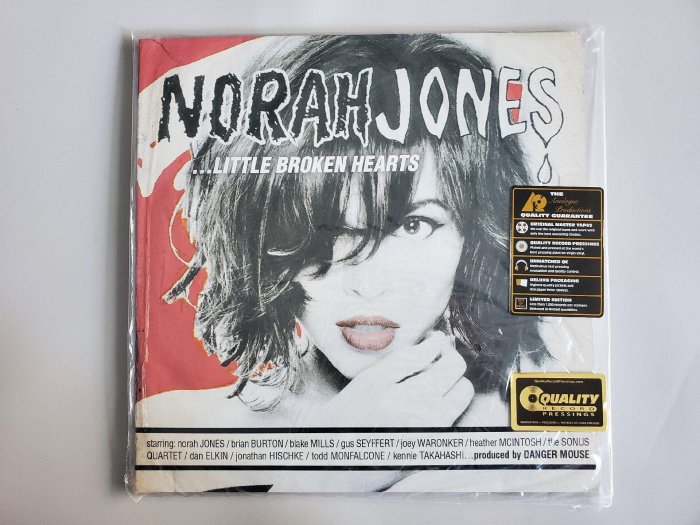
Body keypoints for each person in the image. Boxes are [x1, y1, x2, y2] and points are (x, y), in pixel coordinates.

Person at [137, 34, 553, 490]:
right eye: (328, 229)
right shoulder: (174, 435)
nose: (368, 284)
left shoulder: (531, 445)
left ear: (472, 238)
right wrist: (324, 474)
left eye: (414, 225)